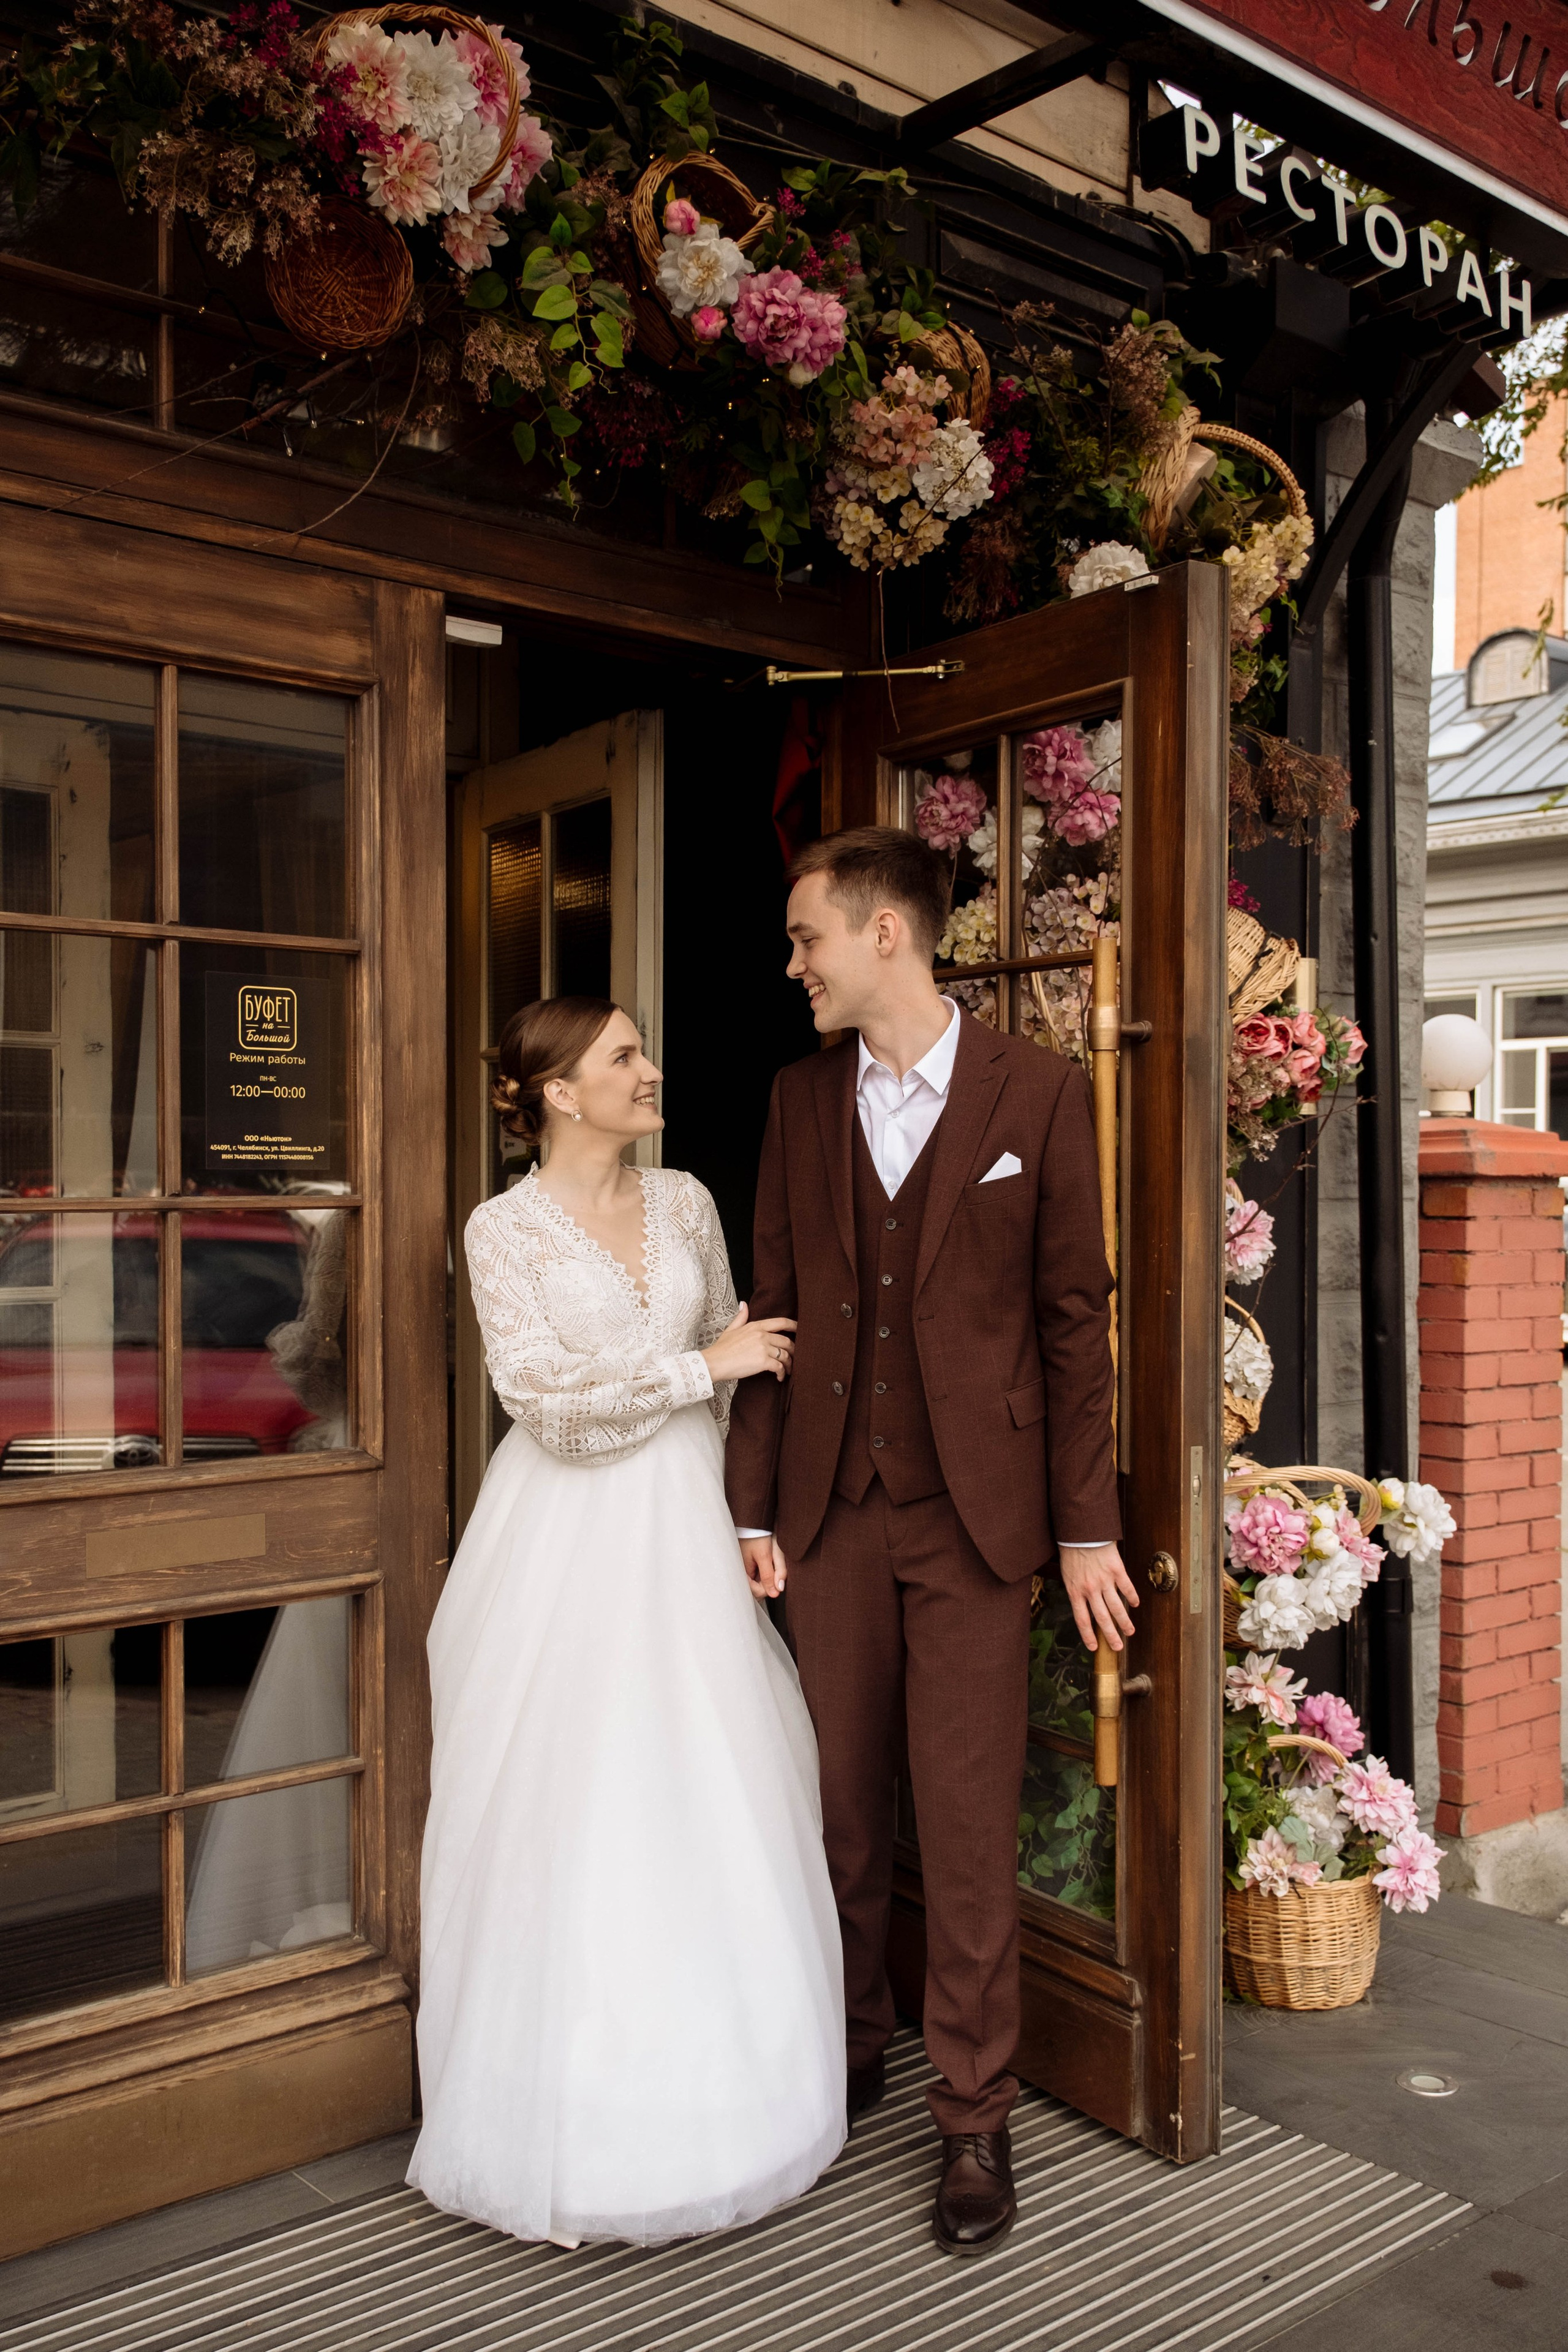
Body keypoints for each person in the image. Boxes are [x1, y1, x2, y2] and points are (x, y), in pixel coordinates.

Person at [726, 827, 1136, 2259]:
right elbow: (773, 1312)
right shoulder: (795, 1099)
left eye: (807, 939)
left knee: (961, 1830)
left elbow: (1074, 1327)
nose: (794, 966)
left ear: (883, 933)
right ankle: (848, 2053)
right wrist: (748, 1507)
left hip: (975, 1524)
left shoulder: (1041, 1091)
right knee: (838, 1812)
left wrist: (1083, 1527)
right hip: (830, 1513)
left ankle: (971, 2115)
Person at [408, 997, 845, 2247]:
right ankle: (570, 2125)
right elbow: (545, 1403)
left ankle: (737, 2105)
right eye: (623, 1057)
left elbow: (740, 1362)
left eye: (642, 1051)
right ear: (558, 1092)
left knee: (707, 1785)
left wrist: (751, 1511)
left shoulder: (686, 1200)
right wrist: (700, 1370)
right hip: (566, 1535)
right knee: (577, 1800)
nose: (649, 1071)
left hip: (690, 1522)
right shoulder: (500, 1230)